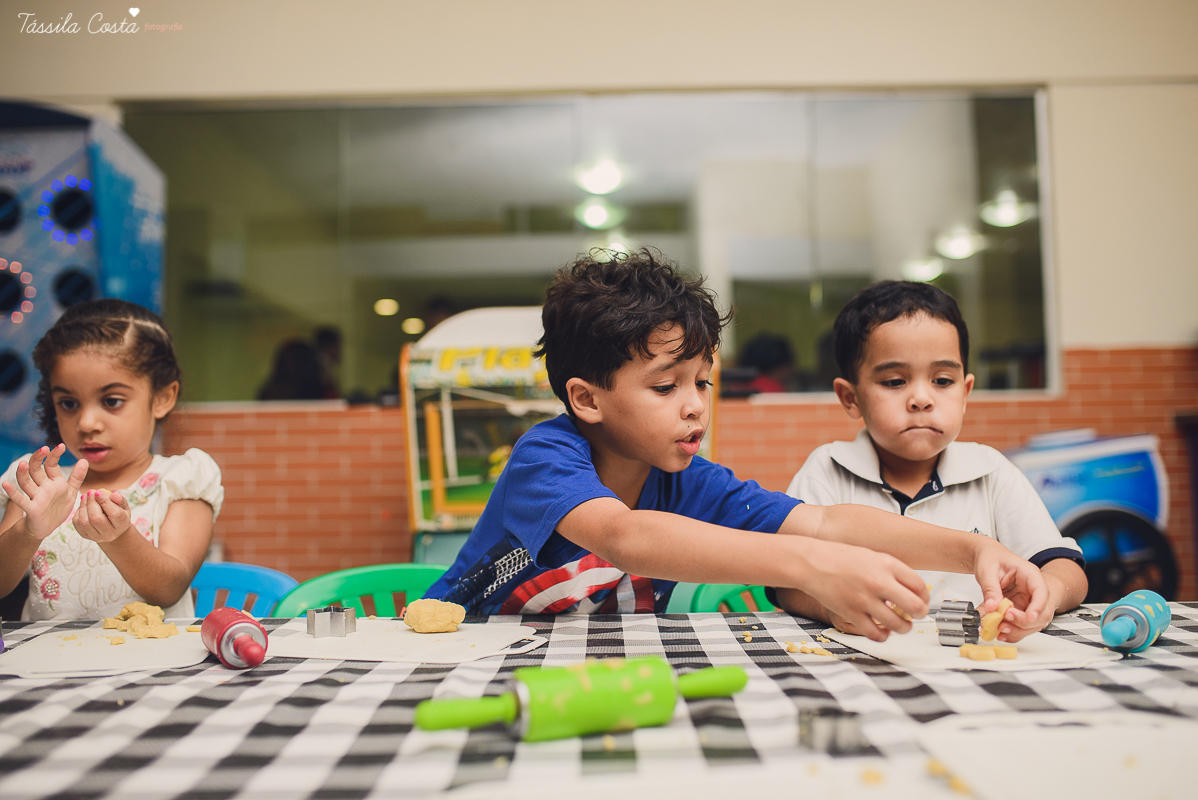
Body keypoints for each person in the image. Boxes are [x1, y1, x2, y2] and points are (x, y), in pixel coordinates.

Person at [425, 250, 1048, 641]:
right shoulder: (545, 458)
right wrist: (808, 565)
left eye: (702, 382)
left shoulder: (687, 478)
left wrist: (973, 550)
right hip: (454, 651)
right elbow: (625, 536)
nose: (695, 404)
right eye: (665, 386)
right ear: (588, 399)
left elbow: (825, 523)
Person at [786, 280, 1087, 642]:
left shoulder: (991, 472)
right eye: (894, 382)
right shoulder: (827, 469)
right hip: (863, 660)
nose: (921, 398)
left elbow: (1065, 567)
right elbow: (787, 582)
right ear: (850, 398)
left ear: (965, 393)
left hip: (976, 660)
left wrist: (1047, 593)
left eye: (943, 380)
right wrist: (830, 607)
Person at [0, 299, 223, 620]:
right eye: (68, 403)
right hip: (49, 653)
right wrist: (28, 531)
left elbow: (169, 588)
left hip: (151, 651)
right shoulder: (38, 482)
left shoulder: (182, 478)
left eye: (112, 401)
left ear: (162, 398)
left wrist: (119, 537)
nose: (87, 423)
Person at [257, 338, 326, 400]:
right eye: (287, 360)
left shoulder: (324, 393)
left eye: (299, 361)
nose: (291, 365)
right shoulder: (270, 394)